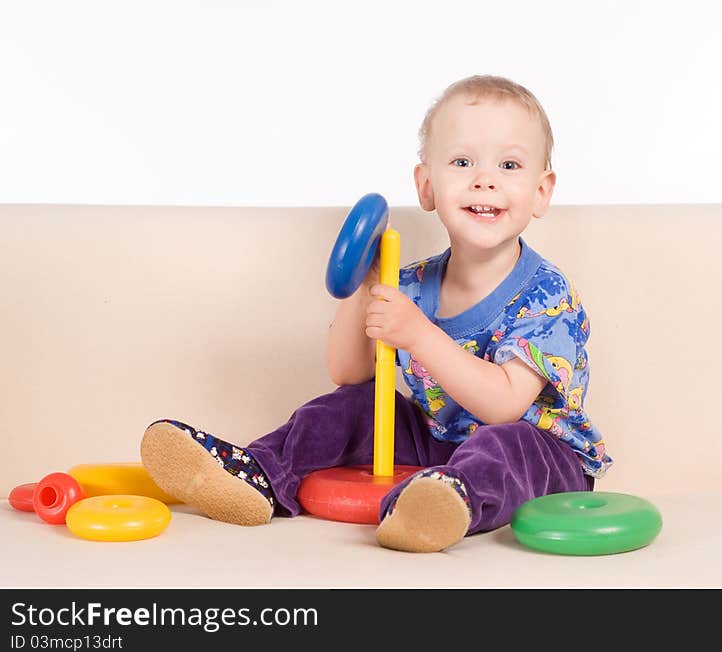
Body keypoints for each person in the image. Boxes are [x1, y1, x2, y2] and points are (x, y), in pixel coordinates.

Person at [141, 74, 613, 553]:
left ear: (541, 192)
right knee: (355, 405)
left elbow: (505, 405)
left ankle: (441, 504)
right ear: (427, 187)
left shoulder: (546, 294)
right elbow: (348, 372)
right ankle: (258, 473)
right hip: (439, 441)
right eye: (462, 161)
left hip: (542, 455)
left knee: (504, 445)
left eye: (509, 164)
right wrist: (363, 288)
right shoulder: (411, 285)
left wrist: (419, 335)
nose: (484, 178)